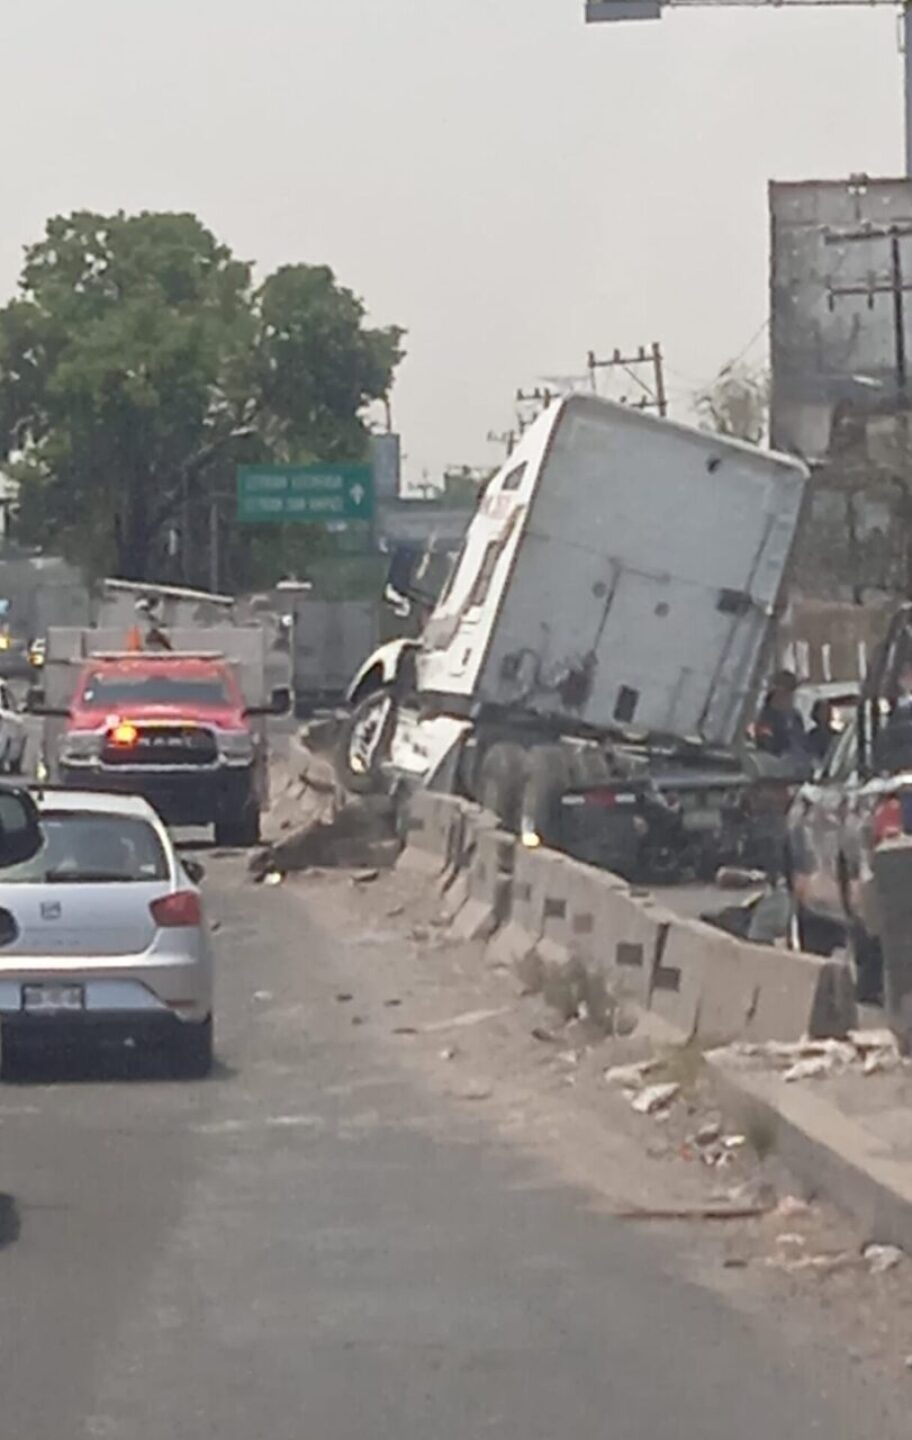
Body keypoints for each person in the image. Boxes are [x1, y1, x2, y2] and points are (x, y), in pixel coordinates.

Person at [755, 669, 806, 759]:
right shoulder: (766, 717)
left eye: (791, 690)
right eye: (785, 689)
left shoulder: (796, 716)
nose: (789, 694)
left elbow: (802, 742)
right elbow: (766, 746)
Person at [805, 697, 837, 764]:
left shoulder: (836, 735)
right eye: (822, 710)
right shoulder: (811, 736)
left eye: (827, 710)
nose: (825, 713)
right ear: (816, 713)